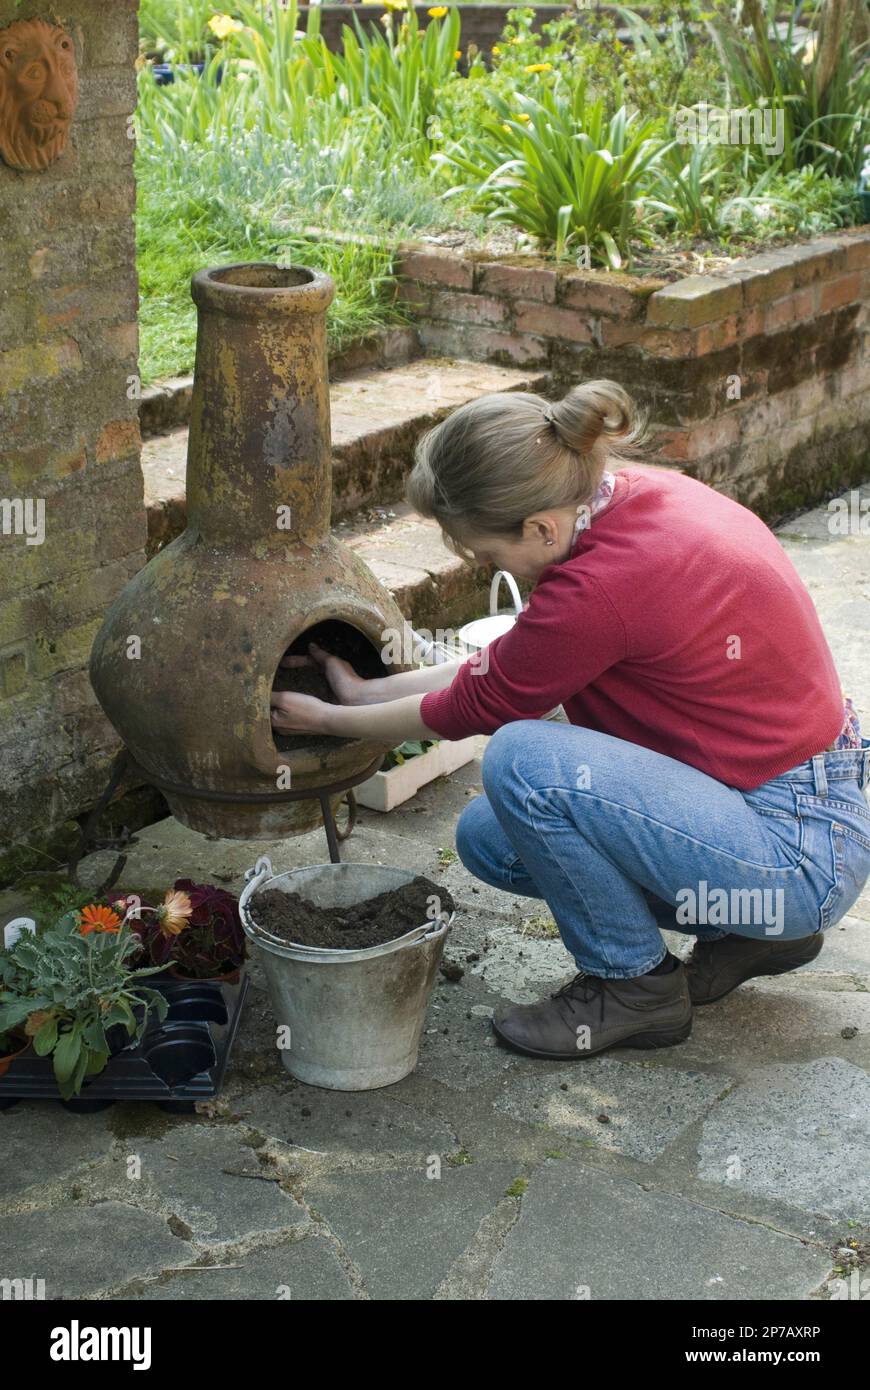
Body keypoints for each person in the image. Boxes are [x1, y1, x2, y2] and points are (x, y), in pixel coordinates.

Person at [270, 380, 870, 1060]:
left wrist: (329, 719)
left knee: (523, 761)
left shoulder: (603, 583)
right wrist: (358, 695)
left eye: (490, 557)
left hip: (795, 852)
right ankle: (753, 931)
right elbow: (512, 662)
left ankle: (633, 987)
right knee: (490, 838)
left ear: (541, 529)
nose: (491, 569)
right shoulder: (630, 500)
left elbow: (477, 707)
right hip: (793, 809)